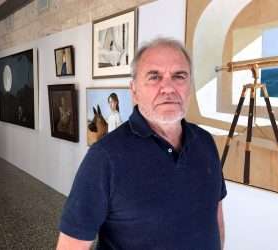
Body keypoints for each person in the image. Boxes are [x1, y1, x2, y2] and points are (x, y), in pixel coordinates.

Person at [56, 38, 227, 250]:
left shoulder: (205, 142)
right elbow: (71, 245)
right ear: (134, 90)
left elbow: (215, 216)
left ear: (190, 87)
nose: (168, 88)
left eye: (179, 76)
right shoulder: (104, 158)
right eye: (154, 77)